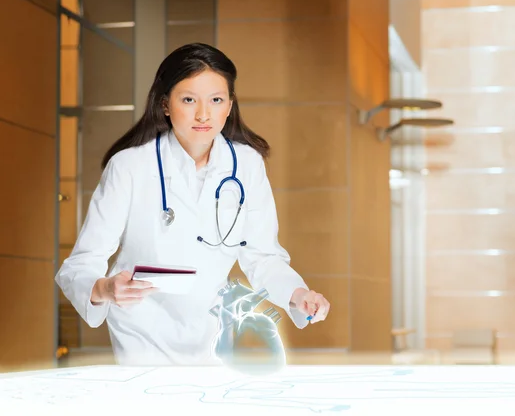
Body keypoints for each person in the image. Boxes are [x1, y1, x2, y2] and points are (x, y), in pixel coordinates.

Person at [55, 42, 330, 366]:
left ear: (229, 106)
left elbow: (263, 258)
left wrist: (299, 296)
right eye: (188, 100)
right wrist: (104, 288)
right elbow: (80, 264)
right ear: (165, 105)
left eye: (216, 100)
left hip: (211, 334)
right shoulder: (130, 166)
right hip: (142, 333)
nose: (203, 114)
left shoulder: (247, 165)